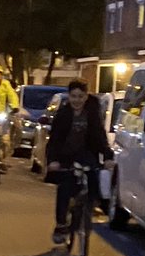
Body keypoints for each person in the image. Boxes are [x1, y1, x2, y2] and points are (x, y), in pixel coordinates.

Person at [45, 79, 114, 245]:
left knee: (93, 175)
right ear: (69, 96)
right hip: (66, 155)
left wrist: (107, 156)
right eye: (73, 96)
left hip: (86, 153)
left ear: (86, 96)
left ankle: (91, 206)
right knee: (65, 188)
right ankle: (61, 224)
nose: (77, 100)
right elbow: (54, 140)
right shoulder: (63, 114)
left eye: (80, 96)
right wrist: (53, 160)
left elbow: (99, 135)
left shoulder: (92, 111)